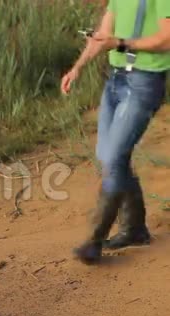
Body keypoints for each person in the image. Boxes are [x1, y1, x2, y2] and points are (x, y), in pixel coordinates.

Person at [61, 0, 170, 264]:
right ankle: (135, 229)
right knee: (107, 155)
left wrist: (121, 43)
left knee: (113, 158)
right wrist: (77, 67)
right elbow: (102, 37)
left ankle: (94, 241)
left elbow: (166, 39)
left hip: (145, 82)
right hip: (116, 81)